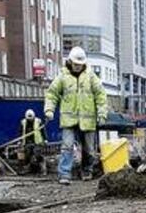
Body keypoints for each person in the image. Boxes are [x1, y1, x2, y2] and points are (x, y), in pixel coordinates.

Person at [43, 46, 108, 184]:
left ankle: (86, 170)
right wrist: (49, 110)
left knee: (89, 149)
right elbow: (52, 94)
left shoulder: (91, 77)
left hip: (88, 120)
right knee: (67, 145)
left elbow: (101, 95)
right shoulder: (63, 77)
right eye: (76, 64)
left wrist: (102, 114)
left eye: (80, 64)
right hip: (69, 119)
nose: (78, 67)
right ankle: (64, 174)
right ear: (70, 62)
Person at [17, 109, 45, 175]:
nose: (30, 120)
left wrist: (45, 139)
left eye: (31, 119)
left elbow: (43, 131)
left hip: (37, 142)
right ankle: (31, 170)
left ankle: (40, 170)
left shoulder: (38, 121)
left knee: (36, 156)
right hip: (27, 142)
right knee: (27, 156)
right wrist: (19, 141)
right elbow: (21, 132)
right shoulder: (23, 122)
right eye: (28, 119)